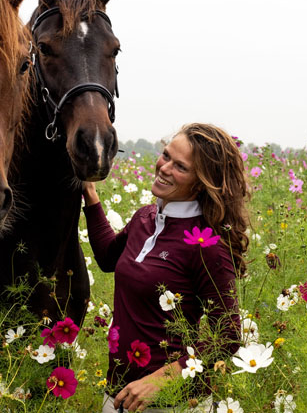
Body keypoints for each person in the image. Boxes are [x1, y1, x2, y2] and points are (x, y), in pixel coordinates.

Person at [82, 123, 250, 413]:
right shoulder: (145, 217)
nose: (164, 167)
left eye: (180, 167)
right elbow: (108, 258)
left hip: (174, 403)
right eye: (166, 155)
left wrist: (162, 380)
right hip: (118, 394)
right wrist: (90, 194)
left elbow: (229, 334)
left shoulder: (206, 244)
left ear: (201, 183)